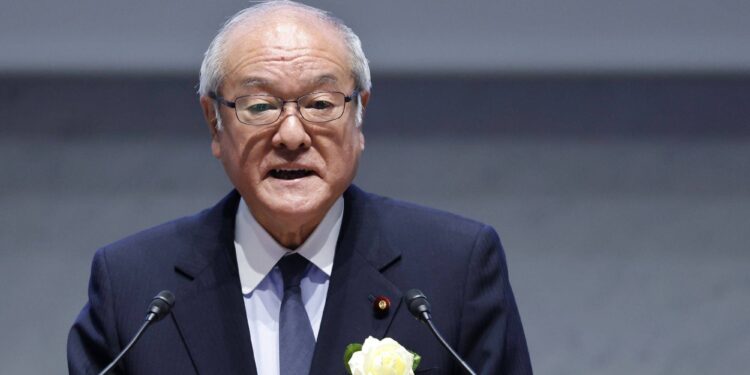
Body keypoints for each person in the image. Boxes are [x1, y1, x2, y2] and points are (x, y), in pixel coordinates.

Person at [67, 1, 532, 374]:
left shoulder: (454, 269)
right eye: (260, 105)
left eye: (320, 102)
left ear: (359, 114)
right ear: (214, 123)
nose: (292, 135)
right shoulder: (135, 288)